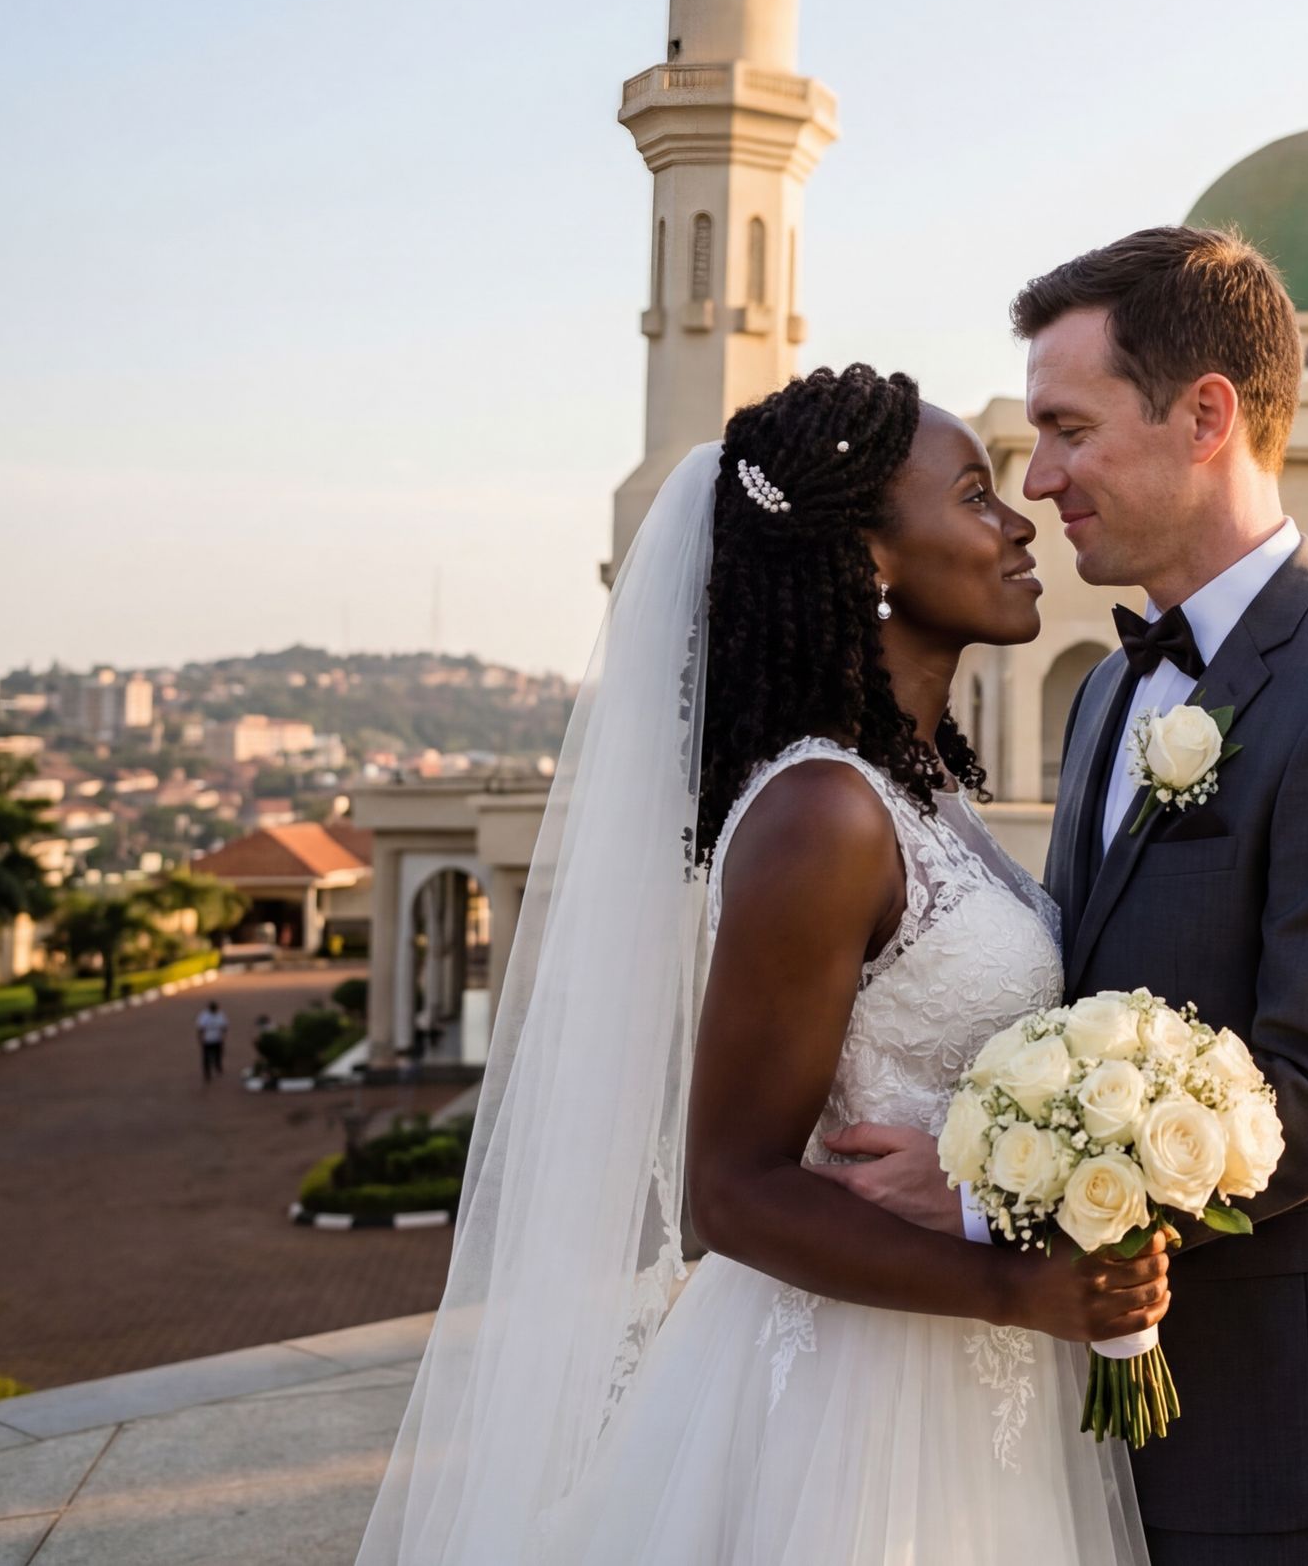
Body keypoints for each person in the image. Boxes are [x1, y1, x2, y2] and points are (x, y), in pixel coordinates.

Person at [361, 365, 1168, 1565]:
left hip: (981, 1374)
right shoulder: (823, 813)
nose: (1018, 524)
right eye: (974, 496)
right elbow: (731, 1189)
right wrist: (1015, 1288)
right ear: (871, 558)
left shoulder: (921, 792)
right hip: (862, 1407)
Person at [829, 228, 1308, 1564]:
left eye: (1070, 429)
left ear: (1206, 416)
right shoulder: (1115, 686)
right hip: (1080, 1418)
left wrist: (991, 1198)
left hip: (1276, 1424)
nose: (1040, 479)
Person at [195, 999, 227, 1083]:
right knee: (206, 1057)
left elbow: (224, 1027)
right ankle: (207, 1073)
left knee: (218, 1055)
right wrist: (200, 1038)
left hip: (217, 1039)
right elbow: (201, 1028)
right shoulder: (204, 1016)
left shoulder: (220, 1015)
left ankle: (218, 1066)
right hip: (207, 1040)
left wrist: (223, 1037)